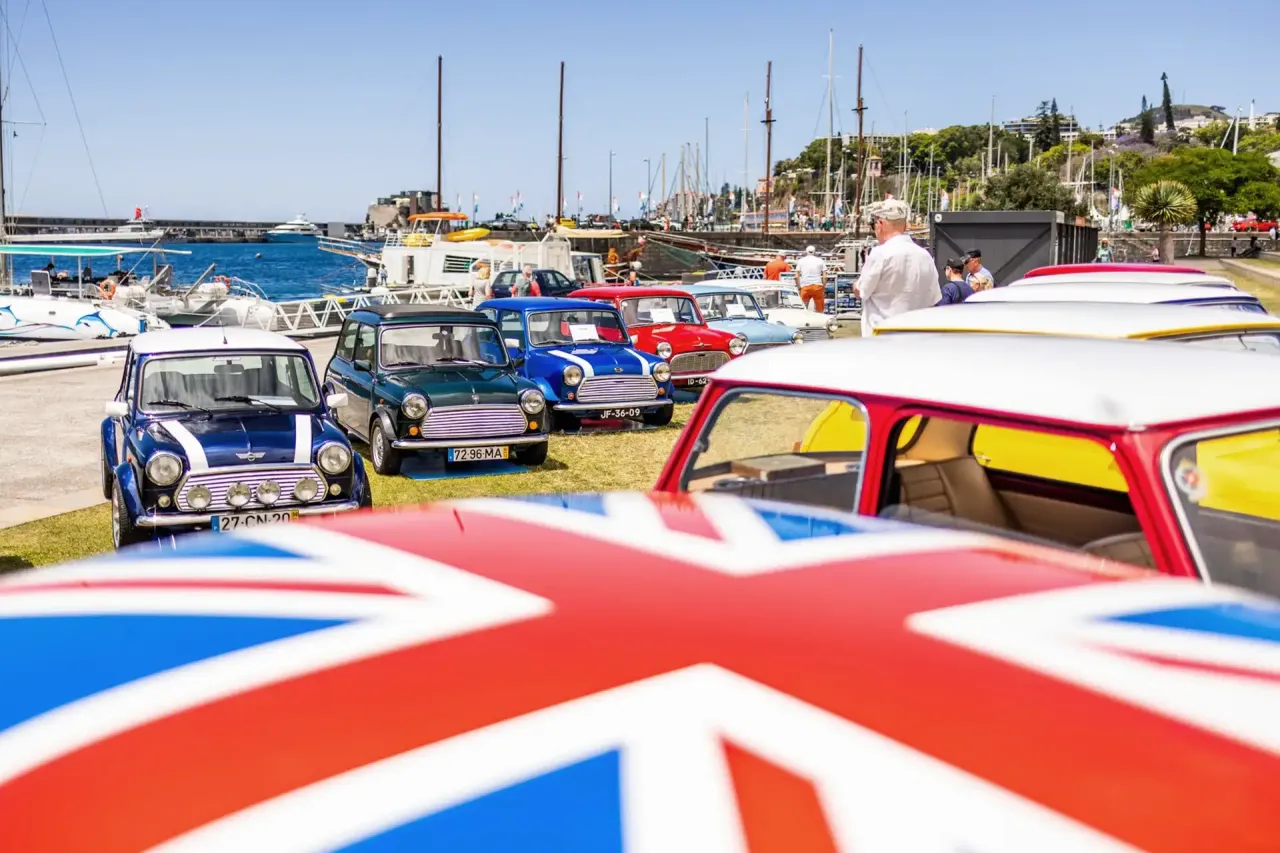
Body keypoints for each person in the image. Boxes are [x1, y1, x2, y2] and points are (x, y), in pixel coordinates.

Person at [856, 200, 941, 337]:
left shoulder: (880, 253)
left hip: (882, 335)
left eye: (873, 225)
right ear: (905, 225)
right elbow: (934, 299)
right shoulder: (925, 256)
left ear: (880, 224)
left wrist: (855, 285)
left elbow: (862, 291)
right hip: (917, 337)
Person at [795, 245, 827, 313]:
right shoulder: (820, 261)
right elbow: (825, 277)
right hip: (817, 286)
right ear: (814, 252)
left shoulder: (801, 261)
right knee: (820, 310)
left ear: (806, 252)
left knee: (803, 310)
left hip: (805, 287)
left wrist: (799, 287)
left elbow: (796, 276)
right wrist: (823, 287)